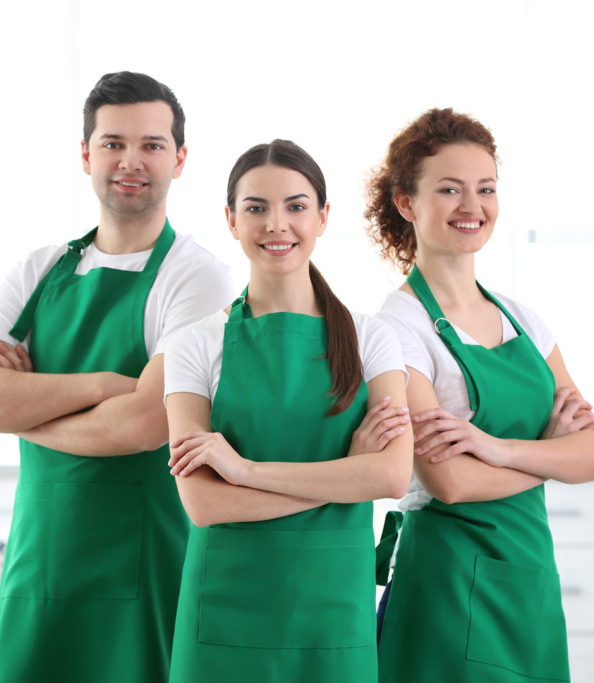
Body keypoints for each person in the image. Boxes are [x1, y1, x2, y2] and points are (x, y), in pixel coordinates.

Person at [0, 71, 236, 682]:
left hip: (145, 566)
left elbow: (143, 424)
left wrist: (24, 411)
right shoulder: (38, 270)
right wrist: (103, 386)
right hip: (40, 563)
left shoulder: (197, 277)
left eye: (152, 145)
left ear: (180, 159)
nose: (131, 161)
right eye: (113, 143)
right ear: (86, 155)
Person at [368, 108, 594, 682]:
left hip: (529, 578)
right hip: (447, 584)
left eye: (485, 189)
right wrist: (552, 455)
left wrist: (495, 448)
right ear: (406, 202)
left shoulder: (524, 321)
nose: (472, 206)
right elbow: (449, 482)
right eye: (449, 189)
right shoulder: (397, 328)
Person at [163, 139, 413, 683]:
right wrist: (347, 473)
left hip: (333, 615)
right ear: (231, 220)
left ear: (323, 217)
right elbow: (204, 502)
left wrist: (244, 471)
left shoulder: (373, 339)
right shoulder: (194, 345)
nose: (277, 224)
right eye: (256, 207)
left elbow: (392, 475)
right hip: (224, 616)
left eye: (296, 206)